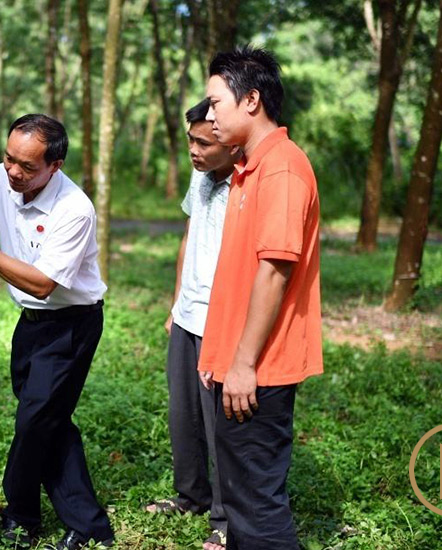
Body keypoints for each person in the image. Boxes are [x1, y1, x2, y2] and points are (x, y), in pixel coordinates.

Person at [0, 114, 114, 550]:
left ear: (55, 165)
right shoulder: (1, 178)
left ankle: (24, 516)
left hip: (71, 326)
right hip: (30, 323)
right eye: (9, 158)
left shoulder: (75, 210)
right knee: (48, 421)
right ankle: (80, 526)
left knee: (35, 421)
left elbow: (42, 283)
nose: (14, 171)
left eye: (27, 167)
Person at [197, 47, 324, 550]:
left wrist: (244, 364)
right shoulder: (249, 168)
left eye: (214, 102)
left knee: (258, 507)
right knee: (244, 501)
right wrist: (217, 354)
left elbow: (274, 271)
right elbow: (238, 275)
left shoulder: (283, 169)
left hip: (259, 370)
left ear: (250, 101)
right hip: (235, 363)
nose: (208, 115)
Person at [145, 98, 241, 550]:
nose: (195, 151)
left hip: (221, 321)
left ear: (233, 144)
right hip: (188, 315)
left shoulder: (246, 187)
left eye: (205, 143)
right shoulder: (201, 175)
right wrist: (176, 301)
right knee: (183, 416)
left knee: (220, 423)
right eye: (191, 141)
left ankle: (225, 518)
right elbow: (190, 235)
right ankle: (191, 497)